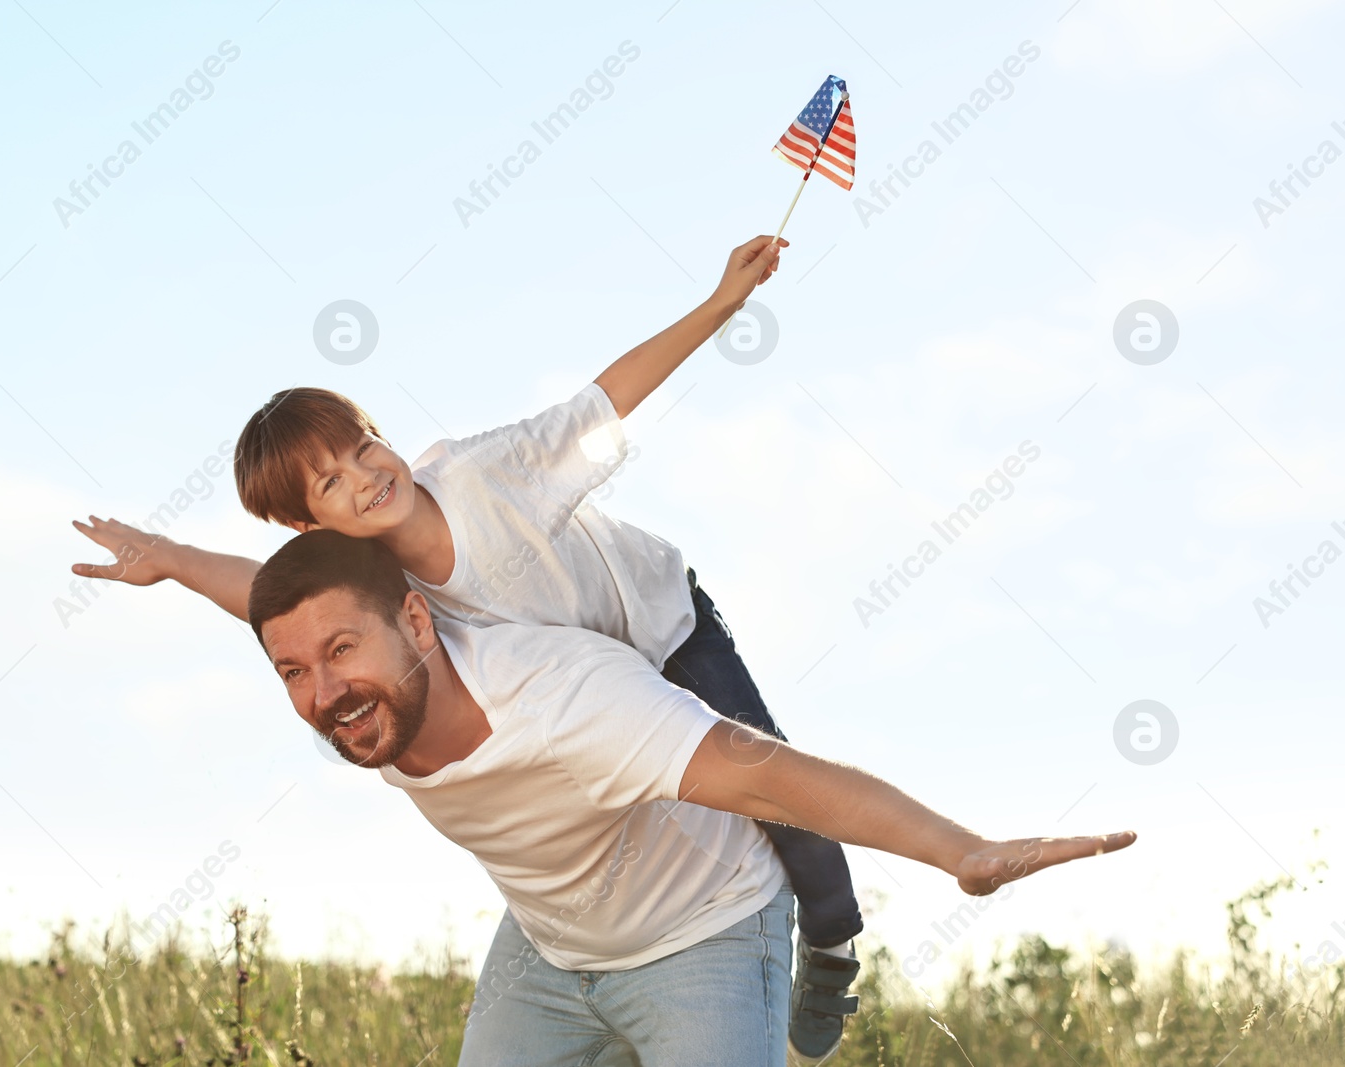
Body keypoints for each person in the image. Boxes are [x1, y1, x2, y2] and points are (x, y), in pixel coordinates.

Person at [72, 233, 876, 1058]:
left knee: (769, 781)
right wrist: (171, 561)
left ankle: (830, 946)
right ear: (311, 527)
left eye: (363, 448)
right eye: (332, 482)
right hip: (583, 696)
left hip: (659, 626)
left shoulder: (485, 475)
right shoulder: (370, 576)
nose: (365, 476)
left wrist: (718, 303)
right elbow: (269, 595)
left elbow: (601, 402)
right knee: (640, 813)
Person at [242, 529, 1134, 1065]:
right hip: (549, 947)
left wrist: (961, 851)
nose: (325, 691)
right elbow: (250, 595)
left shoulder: (566, 702)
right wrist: (167, 558)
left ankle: (825, 963)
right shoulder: (364, 697)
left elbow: (769, 773)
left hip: (698, 931)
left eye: (342, 650)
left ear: (416, 621)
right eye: (294, 670)